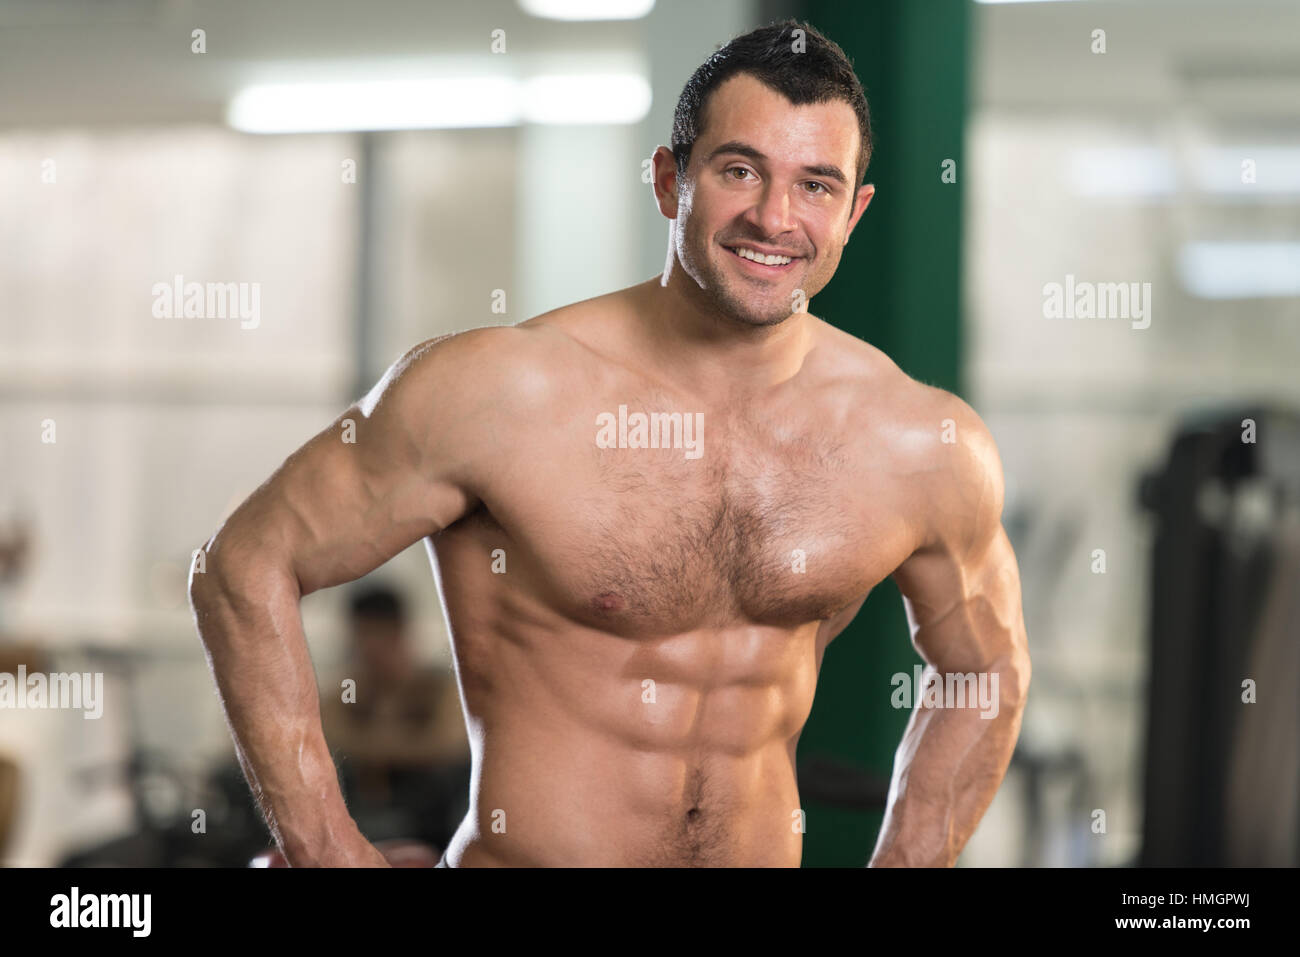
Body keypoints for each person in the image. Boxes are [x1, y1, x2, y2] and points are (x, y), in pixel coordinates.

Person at [190, 19, 1030, 867]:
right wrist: (325, 846)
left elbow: (986, 669)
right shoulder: (501, 391)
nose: (776, 218)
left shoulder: (919, 438)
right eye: (740, 170)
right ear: (671, 181)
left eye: (816, 185)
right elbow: (245, 564)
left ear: (855, 211)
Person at [319, 586, 469, 851]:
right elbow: (332, 740)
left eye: (380, 635)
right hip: (364, 819)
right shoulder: (347, 691)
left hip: (435, 823)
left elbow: (450, 743)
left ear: (400, 631)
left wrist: (376, 740)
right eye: (363, 635)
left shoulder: (438, 687)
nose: (371, 647)